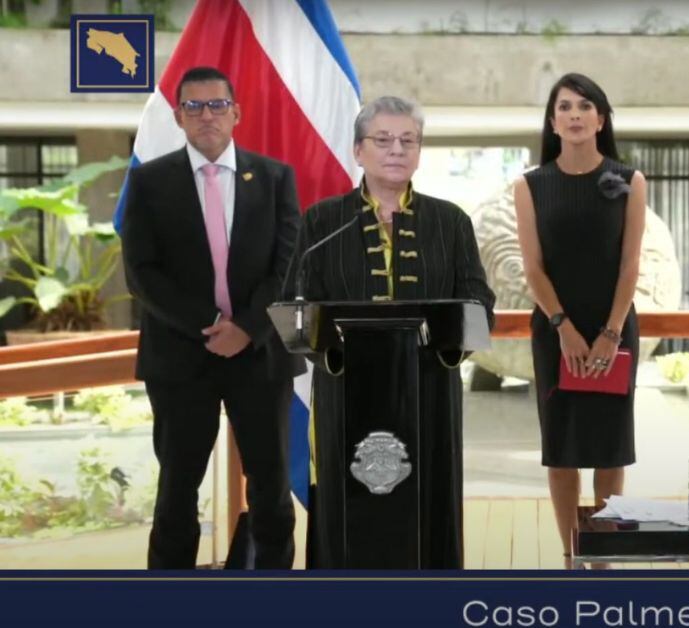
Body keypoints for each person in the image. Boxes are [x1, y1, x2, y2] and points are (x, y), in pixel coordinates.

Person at [288, 96, 495, 568]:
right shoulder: (322, 222)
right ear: (358, 150)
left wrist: (450, 343)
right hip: (345, 394)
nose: (396, 150)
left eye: (408, 140)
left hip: (428, 393)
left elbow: (479, 304)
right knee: (349, 514)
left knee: (429, 509)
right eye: (383, 140)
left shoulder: (450, 221)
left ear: (419, 151)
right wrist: (330, 350)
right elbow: (298, 308)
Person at [121, 66, 300, 569]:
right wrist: (209, 325)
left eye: (217, 105)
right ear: (179, 117)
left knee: (270, 483)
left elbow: (289, 266)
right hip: (181, 356)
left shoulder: (274, 178)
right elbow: (141, 272)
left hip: (260, 354)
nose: (206, 115)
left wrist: (246, 328)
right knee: (178, 487)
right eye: (193, 106)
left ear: (236, 113)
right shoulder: (150, 182)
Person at [514, 73, 647, 565]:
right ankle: (572, 557)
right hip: (555, 332)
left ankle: (602, 558)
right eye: (565, 107)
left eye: (585, 106)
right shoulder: (529, 185)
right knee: (562, 450)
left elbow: (630, 265)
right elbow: (533, 268)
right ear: (552, 122)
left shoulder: (630, 181)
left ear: (601, 119)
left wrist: (611, 332)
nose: (574, 115)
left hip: (615, 327)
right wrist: (563, 328)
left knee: (610, 449)